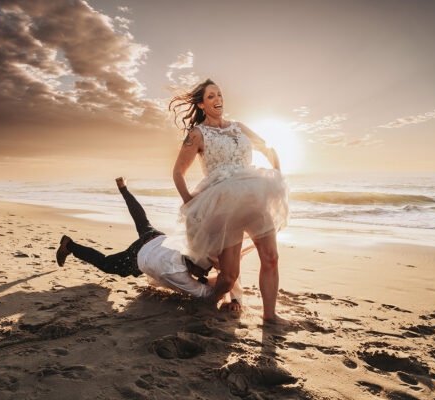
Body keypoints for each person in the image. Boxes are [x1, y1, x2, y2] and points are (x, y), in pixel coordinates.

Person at [170, 79, 291, 324]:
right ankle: (208, 300)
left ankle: (270, 315)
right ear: (202, 104)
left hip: (254, 197)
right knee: (229, 276)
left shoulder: (239, 127)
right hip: (224, 205)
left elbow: (268, 148)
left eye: (220, 95)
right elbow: (178, 173)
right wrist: (189, 203)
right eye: (211, 96)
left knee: (271, 258)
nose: (218, 100)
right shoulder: (197, 134)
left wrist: (277, 174)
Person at [56, 177, 242, 310]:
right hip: (139, 254)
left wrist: (232, 294)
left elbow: (224, 268)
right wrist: (223, 289)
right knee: (106, 264)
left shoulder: (191, 248)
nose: (205, 273)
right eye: (203, 271)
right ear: (191, 264)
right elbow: (205, 295)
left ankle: (124, 189)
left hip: (157, 238)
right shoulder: (175, 272)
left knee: (142, 221)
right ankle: (69, 245)